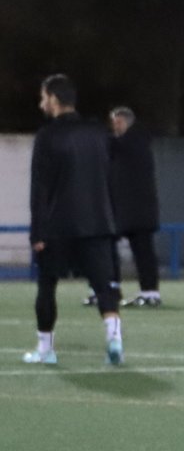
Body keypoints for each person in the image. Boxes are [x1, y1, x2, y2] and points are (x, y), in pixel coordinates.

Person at [26, 74, 124, 366]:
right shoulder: (98, 133)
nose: (41, 104)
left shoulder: (47, 136)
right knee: (104, 286)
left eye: (43, 97)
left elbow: (39, 189)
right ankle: (114, 337)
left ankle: (45, 349)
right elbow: (110, 178)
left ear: (54, 99)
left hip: (58, 225)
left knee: (47, 286)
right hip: (98, 223)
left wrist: (37, 233)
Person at [108, 106, 163, 307]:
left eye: (117, 122)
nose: (114, 127)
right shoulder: (137, 142)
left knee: (141, 252)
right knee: (141, 251)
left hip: (135, 211)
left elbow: (111, 147)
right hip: (137, 210)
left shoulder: (132, 142)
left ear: (125, 122)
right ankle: (146, 292)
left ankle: (148, 292)